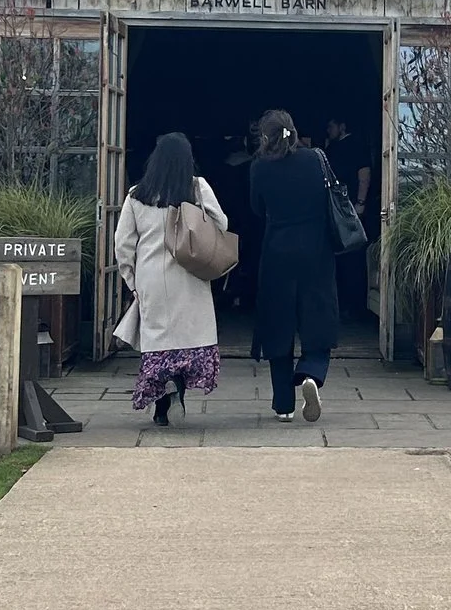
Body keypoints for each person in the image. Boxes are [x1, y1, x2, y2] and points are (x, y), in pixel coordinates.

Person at [111, 131, 228, 425]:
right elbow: (221, 223)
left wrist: (132, 280)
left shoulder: (137, 195)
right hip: (191, 275)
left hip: (152, 279)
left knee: (159, 344)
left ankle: (163, 405)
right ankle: (179, 391)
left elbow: (123, 243)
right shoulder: (197, 188)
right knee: (186, 341)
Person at [246, 107, 337, 422]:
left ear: (265, 136)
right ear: (294, 132)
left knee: (278, 323)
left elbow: (256, 209)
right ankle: (311, 372)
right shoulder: (315, 160)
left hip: (277, 253)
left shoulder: (259, 167)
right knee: (317, 314)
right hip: (315, 251)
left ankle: (283, 404)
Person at [323, 114, 375, 318]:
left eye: (331, 125)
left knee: (352, 256)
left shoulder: (355, 146)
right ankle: (342, 304)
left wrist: (360, 204)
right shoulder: (331, 148)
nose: (328, 130)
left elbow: (364, 176)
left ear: (342, 126)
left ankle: (353, 306)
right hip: (336, 210)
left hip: (350, 209)